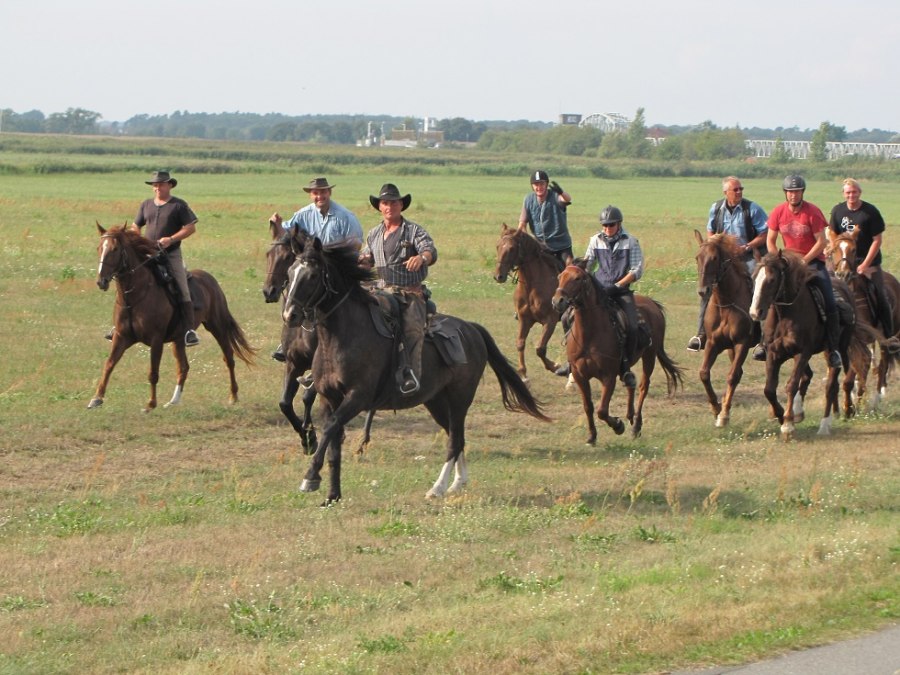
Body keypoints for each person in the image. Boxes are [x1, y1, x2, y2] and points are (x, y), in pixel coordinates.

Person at [269, 176, 364, 362]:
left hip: (337, 272)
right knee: (294, 293)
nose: (319, 196)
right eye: (315, 193)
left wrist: (330, 254)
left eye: (323, 192)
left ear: (329, 193)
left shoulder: (345, 217)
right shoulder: (303, 215)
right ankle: (288, 340)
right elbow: (286, 235)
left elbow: (356, 245)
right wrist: (277, 225)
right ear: (311, 195)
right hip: (311, 271)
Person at [359, 183, 437, 395]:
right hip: (379, 291)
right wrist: (363, 261)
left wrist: (421, 258)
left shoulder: (413, 231)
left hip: (408, 293)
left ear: (401, 205)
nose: (389, 206)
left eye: (393, 202)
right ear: (379, 207)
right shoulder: (374, 234)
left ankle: (411, 374)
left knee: (412, 329)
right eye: (385, 202)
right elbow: (367, 257)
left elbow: (430, 251)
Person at [556, 205, 644, 389]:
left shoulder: (631, 242)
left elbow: (636, 270)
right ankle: (571, 362)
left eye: (611, 225)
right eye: (604, 225)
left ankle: (625, 367)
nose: (607, 228)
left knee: (633, 326)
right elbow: (588, 265)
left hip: (621, 291)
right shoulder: (595, 240)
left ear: (619, 224)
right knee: (566, 317)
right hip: (598, 289)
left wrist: (618, 285)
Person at [764, 175, 842, 368]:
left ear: (802, 193)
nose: (793, 195)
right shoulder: (778, 212)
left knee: (830, 301)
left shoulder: (812, 212)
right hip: (787, 263)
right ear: (785, 193)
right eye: (790, 192)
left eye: (797, 191)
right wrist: (780, 259)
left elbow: (821, 242)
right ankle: (764, 342)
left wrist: (804, 260)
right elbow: (770, 241)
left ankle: (833, 349)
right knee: (766, 294)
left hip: (813, 263)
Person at [687, 176, 769, 352]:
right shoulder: (716, 208)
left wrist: (746, 246)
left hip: (747, 255)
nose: (739, 192)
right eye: (735, 190)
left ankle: (763, 339)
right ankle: (701, 333)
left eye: (741, 189)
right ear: (726, 192)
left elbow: (764, 234)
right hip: (724, 259)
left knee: (758, 285)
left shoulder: (752, 209)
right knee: (707, 287)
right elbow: (710, 230)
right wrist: (712, 244)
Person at [124, 170, 200, 346]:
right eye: (155, 185)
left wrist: (171, 239)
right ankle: (122, 325)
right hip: (147, 253)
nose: (157, 187)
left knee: (182, 285)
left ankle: (189, 330)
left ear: (169, 185)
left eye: (161, 184)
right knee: (129, 281)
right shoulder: (146, 205)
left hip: (170, 254)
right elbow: (136, 225)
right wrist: (137, 238)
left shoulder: (179, 205)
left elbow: (190, 228)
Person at [829, 178, 893, 337]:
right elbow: (832, 234)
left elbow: (877, 240)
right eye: (848, 192)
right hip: (843, 262)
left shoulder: (870, 212)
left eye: (854, 192)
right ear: (843, 194)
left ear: (859, 192)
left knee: (881, 295)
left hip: (868, 263)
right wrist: (832, 248)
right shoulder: (838, 210)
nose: (851, 195)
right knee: (826, 288)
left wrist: (865, 265)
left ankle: (889, 337)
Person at [518, 169, 574, 267]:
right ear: (532, 186)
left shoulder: (556, 196)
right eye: (536, 184)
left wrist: (561, 192)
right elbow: (522, 225)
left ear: (546, 184)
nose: (539, 187)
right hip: (540, 246)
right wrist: (527, 241)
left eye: (542, 184)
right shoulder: (528, 200)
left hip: (561, 245)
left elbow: (567, 199)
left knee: (571, 269)